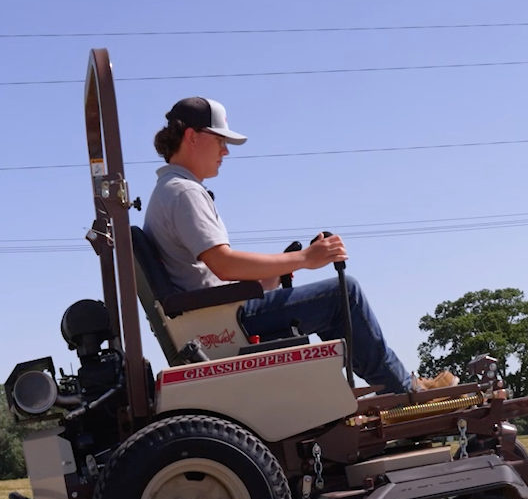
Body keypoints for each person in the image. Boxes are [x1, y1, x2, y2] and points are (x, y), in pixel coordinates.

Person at [140, 96, 456, 393]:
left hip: (213, 318)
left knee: (331, 304)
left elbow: (207, 278)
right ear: (193, 137)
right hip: (225, 322)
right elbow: (223, 265)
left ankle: (397, 387)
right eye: (220, 141)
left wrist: (270, 277)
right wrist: (305, 258)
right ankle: (406, 392)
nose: (225, 151)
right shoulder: (184, 192)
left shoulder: (168, 190)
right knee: (345, 294)